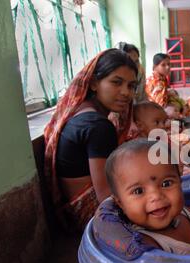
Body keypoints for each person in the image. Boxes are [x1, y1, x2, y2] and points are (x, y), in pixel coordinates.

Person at [44, 49, 138, 231]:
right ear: (94, 83)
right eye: (116, 82)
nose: (126, 93)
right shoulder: (99, 126)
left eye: (131, 86)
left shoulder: (83, 112)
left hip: (71, 211)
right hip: (91, 215)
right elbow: (105, 197)